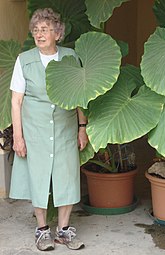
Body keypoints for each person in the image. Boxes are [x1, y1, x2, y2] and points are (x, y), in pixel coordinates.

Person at [9, 8, 88, 252]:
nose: (39, 34)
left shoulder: (71, 57)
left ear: (58, 32)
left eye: (45, 29)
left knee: (67, 179)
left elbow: (79, 95)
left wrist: (82, 127)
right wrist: (18, 137)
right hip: (35, 131)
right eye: (36, 30)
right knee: (38, 178)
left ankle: (63, 232)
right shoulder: (24, 60)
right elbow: (16, 101)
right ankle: (42, 231)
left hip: (65, 127)